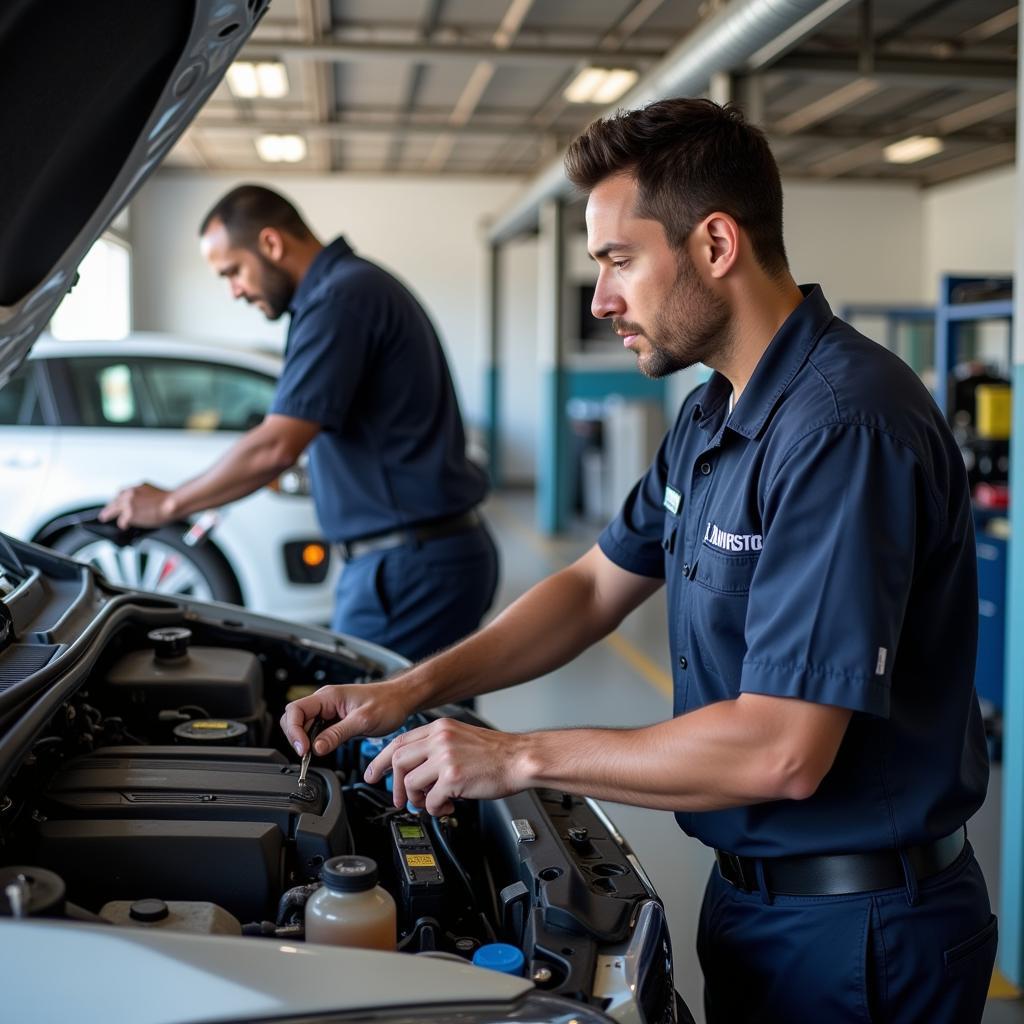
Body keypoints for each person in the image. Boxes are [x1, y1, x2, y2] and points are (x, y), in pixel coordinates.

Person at [280, 100, 995, 1023]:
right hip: (754, 903)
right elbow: (590, 589)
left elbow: (782, 751)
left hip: (863, 934)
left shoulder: (843, 427)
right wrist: (409, 690)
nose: (600, 298)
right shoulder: (711, 416)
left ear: (716, 244)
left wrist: (518, 755)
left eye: (619, 260)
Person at [101, 185, 498, 661]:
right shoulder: (351, 288)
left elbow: (276, 445)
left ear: (271, 244)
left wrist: (168, 504)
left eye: (233, 272)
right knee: (427, 729)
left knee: (375, 729)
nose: (234, 291)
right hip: (420, 558)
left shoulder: (339, 299)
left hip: (407, 568)